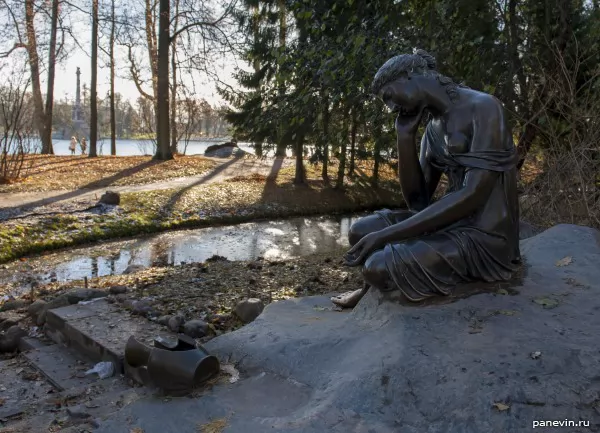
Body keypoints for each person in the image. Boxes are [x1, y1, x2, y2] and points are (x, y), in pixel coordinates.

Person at [332, 49, 521, 308]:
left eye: (388, 96)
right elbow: (418, 201)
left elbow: (474, 193)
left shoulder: (484, 107)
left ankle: (376, 284)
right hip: (450, 222)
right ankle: (373, 287)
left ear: (409, 75)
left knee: (377, 266)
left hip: (484, 234)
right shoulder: (432, 128)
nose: (390, 109)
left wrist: (386, 235)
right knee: (359, 231)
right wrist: (404, 137)